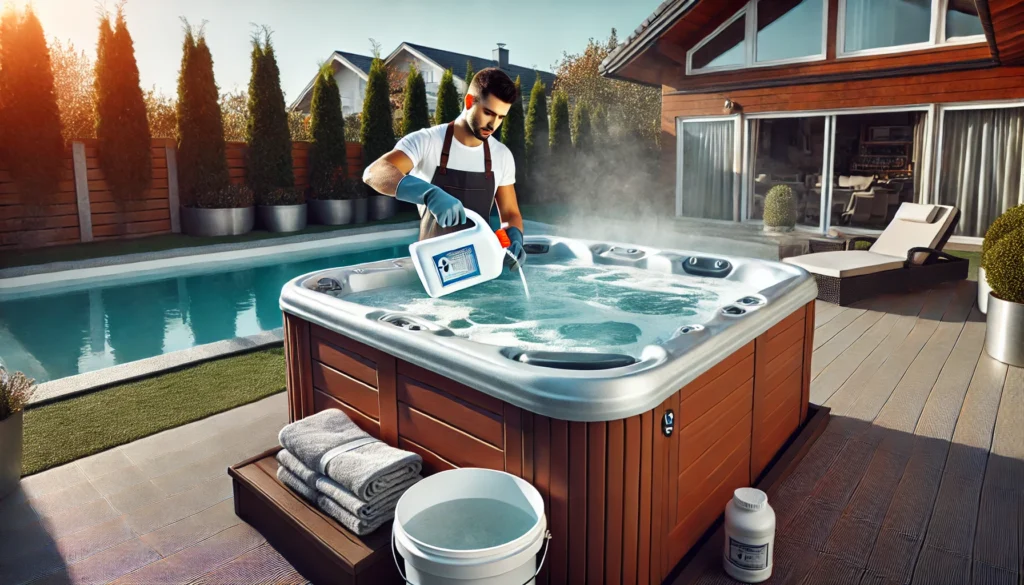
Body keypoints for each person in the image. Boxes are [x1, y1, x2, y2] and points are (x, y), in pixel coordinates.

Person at [362, 67, 527, 271]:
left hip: (479, 270)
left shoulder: (501, 155)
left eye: (501, 117)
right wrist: (429, 194)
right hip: (433, 271)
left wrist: (515, 236)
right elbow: (374, 172)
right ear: (469, 101)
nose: (493, 125)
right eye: (488, 113)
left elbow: (510, 214)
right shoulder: (427, 141)